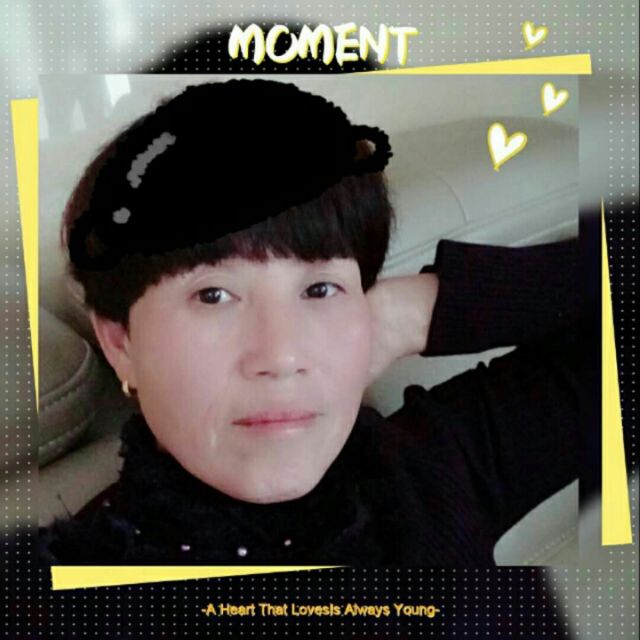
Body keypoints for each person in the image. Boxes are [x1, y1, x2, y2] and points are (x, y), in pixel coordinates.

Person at [38, 78, 593, 566]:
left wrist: (414, 312)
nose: (281, 355)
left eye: (320, 289)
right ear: (120, 342)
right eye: (213, 295)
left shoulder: (434, 470)